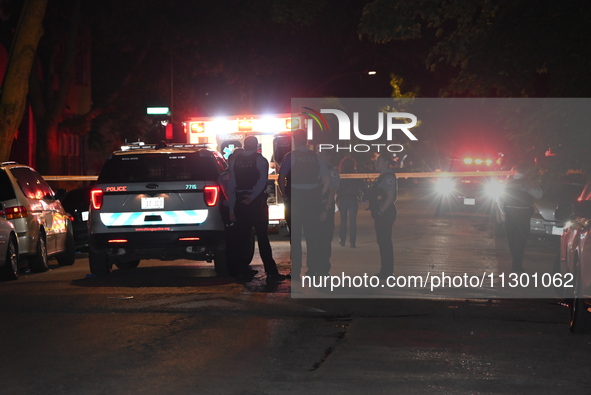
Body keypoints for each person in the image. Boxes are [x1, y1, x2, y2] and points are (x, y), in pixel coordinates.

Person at [228, 136, 285, 283]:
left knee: (241, 240)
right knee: (262, 238)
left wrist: (231, 209)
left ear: (245, 145)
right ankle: (271, 272)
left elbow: (232, 185)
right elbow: (262, 182)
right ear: (256, 145)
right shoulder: (260, 160)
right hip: (256, 204)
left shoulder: (235, 161)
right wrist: (252, 197)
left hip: (240, 202)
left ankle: (241, 272)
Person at [278, 129, 329, 280]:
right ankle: (312, 269)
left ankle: (296, 272)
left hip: (295, 200)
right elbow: (326, 179)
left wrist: (284, 195)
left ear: (295, 139)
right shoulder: (316, 156)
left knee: (295, 237)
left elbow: (281, 178)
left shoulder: (291, 156)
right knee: (312, 236)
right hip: (312, 200)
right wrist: (320, 194)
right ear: (306, 140)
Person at [498, 163, 542, 273]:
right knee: (521, 240)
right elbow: (539, 195)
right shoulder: (528, 184)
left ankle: (515, 262)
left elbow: (500, 200)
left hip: (510, 214)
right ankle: (516, 266)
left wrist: (504, 210)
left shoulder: (507, 183)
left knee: (511, 239)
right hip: (523, 214)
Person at [367, 153, 398, 278]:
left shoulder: (388, 177)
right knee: (383, 242)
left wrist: (381, 211)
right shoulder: (382, 176)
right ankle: (385, 271)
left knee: (385, 242)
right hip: (382, 212)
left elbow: (391, 197)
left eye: (379, 160)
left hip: (385, 212)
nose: (376, 163)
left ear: (386, 162)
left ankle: (387, 272)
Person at [316, 149, 340, 276]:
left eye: (323, 155)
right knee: (316, 239)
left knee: (325, 239)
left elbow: (332, 192)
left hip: (326, 208)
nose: (320, 157)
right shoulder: (316, 169)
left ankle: (324, 268)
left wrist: (325, 209)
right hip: (315, 208)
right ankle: (316, 267)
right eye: (319, 155)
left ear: (329, 157)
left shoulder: (331, 171)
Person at [336, 156, 366, 248]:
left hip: (343, 198)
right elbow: (362, 186)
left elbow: (337, 187)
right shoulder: (355, 175)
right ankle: (352, 242)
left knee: (343, 220)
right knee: (353, 221)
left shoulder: (340, 175)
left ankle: (342, 240)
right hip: (353, 199)